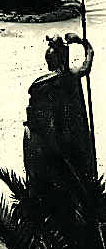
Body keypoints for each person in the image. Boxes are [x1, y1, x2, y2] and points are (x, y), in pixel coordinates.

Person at [24, 32, 96, 188]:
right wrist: (84, 44)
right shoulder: (67, 77)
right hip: (61, 130)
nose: (48, 64)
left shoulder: (44, 83)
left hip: (60, 130)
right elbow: (87, 63)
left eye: (49, 60)